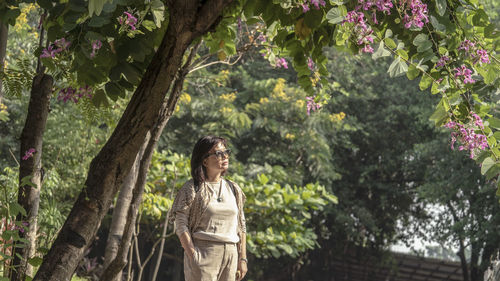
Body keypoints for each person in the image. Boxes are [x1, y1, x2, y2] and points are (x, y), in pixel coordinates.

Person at [169, 136, 248, 281]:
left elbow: (241, 225)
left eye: (226, 152)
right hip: (204, 252)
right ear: (204, 161)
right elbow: (180, 224)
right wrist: (193, 256)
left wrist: (242, 259)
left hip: (231, 253)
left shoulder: (234, 188)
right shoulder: (192, 188)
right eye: (218, 153)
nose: (225, 156)